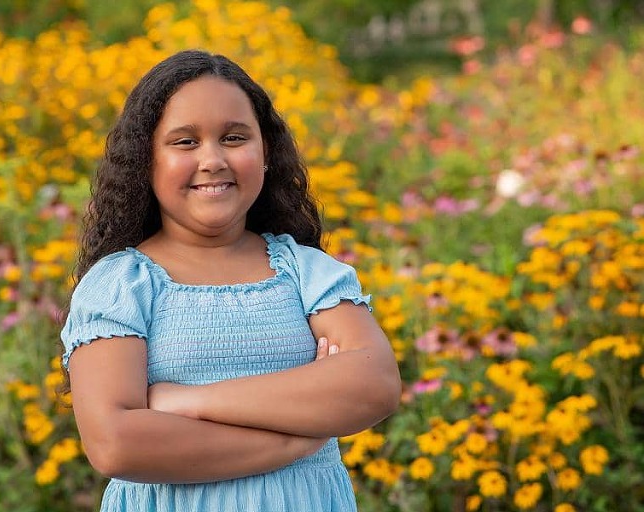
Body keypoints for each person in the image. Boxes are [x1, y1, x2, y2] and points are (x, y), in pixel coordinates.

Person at [60, 49, 401, 512]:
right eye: (184, 142)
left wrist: (185, 401)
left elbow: (373, 384)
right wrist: (295, 439)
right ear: (146, 161)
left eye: (234, 137)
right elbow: (117, 444)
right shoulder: (122, 284)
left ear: (265, 155)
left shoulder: (306, 272)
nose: (213, 159)